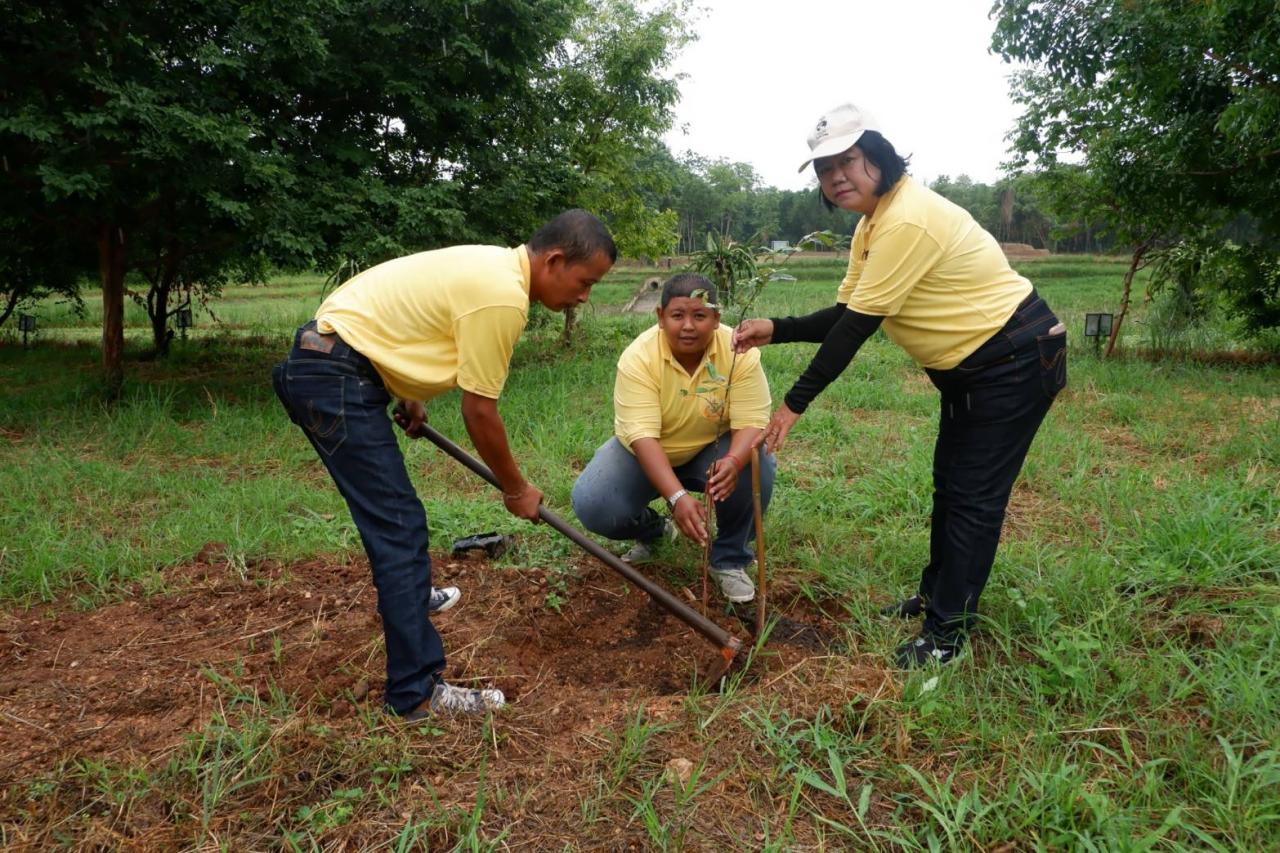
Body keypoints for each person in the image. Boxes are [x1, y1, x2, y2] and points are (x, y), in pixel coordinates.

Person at [733, 104, 1067, 666]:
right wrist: (779, 329)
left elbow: (855, 331)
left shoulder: (906, 219)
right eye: (824, 168)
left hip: (1012, 359)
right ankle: (938, 598)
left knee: (973, 500)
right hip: (974, 369)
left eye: (849, 161)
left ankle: (945, 638)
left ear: (879, 159)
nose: (836, 176)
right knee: (950, 487)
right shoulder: (874, 225)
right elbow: (846, 311)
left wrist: (793, 404)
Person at [272, 210, 616, 718]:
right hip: (336, 379)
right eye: (585, 282)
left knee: (394, 524)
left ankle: (407, 598)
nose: (585, 296)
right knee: (399, 527)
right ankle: (416, 693)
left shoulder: (492, 266)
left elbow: (389, 317)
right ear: (555, 260)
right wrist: (515, 487)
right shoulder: (502, 297)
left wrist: (403, 390)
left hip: (326, 360)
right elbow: (479, 411)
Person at [572, 274, 776, 603]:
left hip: (712, 448)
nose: (688, 327)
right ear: (660, 317)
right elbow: (642, 437)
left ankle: (730, 558)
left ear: (716, 319)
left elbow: (752, 423)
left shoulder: (738, 351)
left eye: (700, 316)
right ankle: (654, 531)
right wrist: (677, 497)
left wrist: (733, 461)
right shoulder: (638, 358)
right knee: (594, 503)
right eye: (678, 315)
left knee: (756, 461)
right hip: (646, 454)